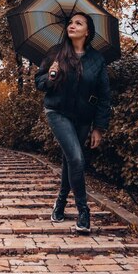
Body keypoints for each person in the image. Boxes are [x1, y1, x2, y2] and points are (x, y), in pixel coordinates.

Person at [35, 12, 111, 233]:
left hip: (83, 118)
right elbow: (38, 83)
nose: (72, 25)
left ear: (87, 32)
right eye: (70, 22)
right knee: (77, 158)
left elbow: (105, 96)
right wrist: (50, 76)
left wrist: (99, 127)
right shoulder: (56, 53)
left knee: (71, 161)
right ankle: (84, 212)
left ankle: (60, 203)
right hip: (57, 112)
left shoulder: (97, 60)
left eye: (78, 23)